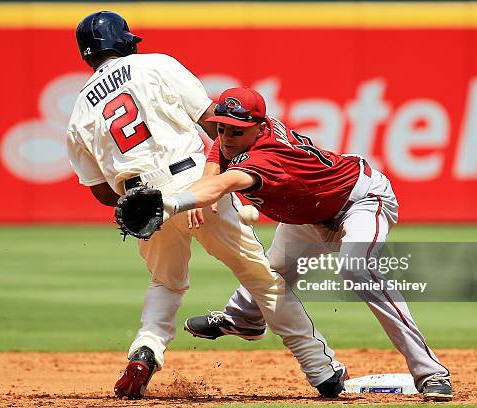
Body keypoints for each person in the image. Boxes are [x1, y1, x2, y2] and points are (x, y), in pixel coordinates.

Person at [67, 11, 348, 400]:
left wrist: (145, 205)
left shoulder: (79, 110)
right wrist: (203, 186)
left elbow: (101, 193)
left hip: (143, 202)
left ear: (87, 55)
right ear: (126, 41)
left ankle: (145, 349)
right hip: (194, 180)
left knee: (166, 282)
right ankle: (321, 371)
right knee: (260, 279)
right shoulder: (156, 64)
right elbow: (214, 124)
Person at [162, 86, 453, 401]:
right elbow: (216, 158)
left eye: (237, 131)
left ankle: (432, 374)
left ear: (259, 130)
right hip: (308, 216)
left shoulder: (268, 157)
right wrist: (204, 196)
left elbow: (224, 182)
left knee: (357, 270)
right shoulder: (244, 133)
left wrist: (174, 202)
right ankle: (244, 319)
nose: (227, 136)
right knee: (270, 274)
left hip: (360, 202)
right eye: (221, 128)